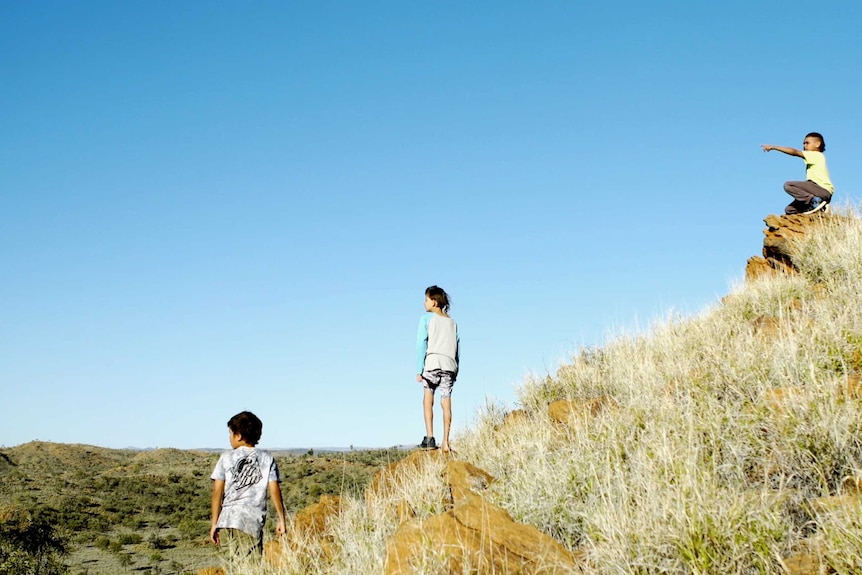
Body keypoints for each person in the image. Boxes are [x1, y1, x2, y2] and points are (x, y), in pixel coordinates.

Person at [210, 411, 286, 562]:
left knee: (232, 567)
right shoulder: (267, 458)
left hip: (226, 522)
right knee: (250, 568)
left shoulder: (225, 457)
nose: (229, 437)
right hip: (250, 522)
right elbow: (274, 489)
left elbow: (217, 492)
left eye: (230, 433)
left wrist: (214, 523)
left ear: (238, 436)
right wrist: (282, 518)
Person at [415, 285, 460, 453]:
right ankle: (446, 442)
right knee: (446, 401)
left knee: (428, 398)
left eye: (426, 300)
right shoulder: (453, 323)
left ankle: (430, 437)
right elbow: (457, 348)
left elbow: (421, 344)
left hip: (432, 363)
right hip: (449, 365)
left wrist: (419, 370)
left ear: (434, 302)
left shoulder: (426, 319)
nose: (424, 303)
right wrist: (456, 369)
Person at [762, 132, 834, 215]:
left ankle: (815, 201)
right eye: (803, 143)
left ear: (817, 144)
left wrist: (774, 147)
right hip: (818, 191)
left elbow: (795, 152)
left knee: (789, 185)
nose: (804, 146)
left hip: (821, 189)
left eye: (807, 143)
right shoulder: (815, 157)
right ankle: (816, 209)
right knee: (789, 210)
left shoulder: (816, 155)